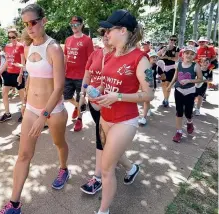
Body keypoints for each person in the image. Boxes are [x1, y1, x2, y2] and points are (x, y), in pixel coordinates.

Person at [0, 4, 69, 213]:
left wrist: (43, 116)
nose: (29, 27)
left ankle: (64, 169)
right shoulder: (27, 48)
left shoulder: (54, 48)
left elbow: (58, 88)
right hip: (31, 109)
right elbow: (29, 78)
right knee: (23, 155)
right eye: (26, 24)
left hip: (53, 110)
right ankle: (14, 204)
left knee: (59, 143)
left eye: (33, 22)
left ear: (43, 21)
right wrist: (26, 102)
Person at [92, 9, 154, 214]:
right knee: (114, 156)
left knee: (107, 168)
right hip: (105, 116)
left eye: (109, 29)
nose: (106, 33)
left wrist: (117, 97)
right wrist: (97, 93)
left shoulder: (140, 58)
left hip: (125, 120)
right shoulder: (109, 55)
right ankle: (132, 168)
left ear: (123, 30)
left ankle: (103, 211)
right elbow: (105, 83)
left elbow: (148, 95)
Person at [79, 28, 114, 195]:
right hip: (93, 102)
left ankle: (98, 178)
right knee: (105, 138)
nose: (106, 36)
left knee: (101, 138)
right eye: (103, 34)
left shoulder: (119, 55)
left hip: (111, 104)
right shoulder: (94, 54)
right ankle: (130, 167)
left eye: (108, 33)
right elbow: (87, 77)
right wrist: (82, 95)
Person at [166, 46, 202, 143]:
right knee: (179, 111)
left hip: (190, 91)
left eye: (191, 54)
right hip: (178, 90)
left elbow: (200, 79)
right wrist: (170, 85)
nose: (189, 55)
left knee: (188, 113)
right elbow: (175, 76)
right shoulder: (178, 64)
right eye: (187, 53)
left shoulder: (195, 66)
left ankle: (189, 122)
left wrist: (189, 80)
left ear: (194, 56)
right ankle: (179, 131)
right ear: (183, 54)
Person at [64, 16, 93, 132]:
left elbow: (91, 59)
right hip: (68, 74)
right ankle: (78, 106)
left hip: (82, 76)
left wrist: (90, 75)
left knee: (81, 97)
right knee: (66, 96)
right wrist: (62, 70)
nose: (74, 27)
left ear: (81, 25)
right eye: (72, 25)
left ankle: (79, 119)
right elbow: (65, 57)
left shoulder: (87, 40)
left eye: (76, 24)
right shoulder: (68, 39)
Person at [0, 29, 25, 123]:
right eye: (9, 37)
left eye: (13, 37)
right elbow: (7, 62)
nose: (11, 39)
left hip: (18, 74)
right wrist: (0, 73)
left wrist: (20, 75)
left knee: (22, 96)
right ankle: (7, 114)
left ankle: (24, 113)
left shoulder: (21, 46)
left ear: (17, 37)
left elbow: (23, 62)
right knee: (4, 93)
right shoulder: (7, 47)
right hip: (9, 73)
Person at [138, 50, 162, 125]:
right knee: (146, 101)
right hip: (143, 86)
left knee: (146, 100)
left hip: (151, 87)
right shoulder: (143, 66)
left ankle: (144, 118)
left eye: (156, 57)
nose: (154, 58)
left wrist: (156, 79)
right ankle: (148, 110)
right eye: (153, 57)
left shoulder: (157, 67)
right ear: (148, 58)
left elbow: (163, 76)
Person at [157, 35, 179, 107]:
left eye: (174, 40)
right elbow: (157, 55)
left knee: (167, 84)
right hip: (162, 67)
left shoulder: (176, 49)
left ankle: (166, 100)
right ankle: (165, 98)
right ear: (168, 40)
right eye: (171, 39)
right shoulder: (163, 47)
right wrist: (163, 50)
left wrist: (168, 57)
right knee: (163, 84)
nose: (172, 41)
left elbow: (176, 59)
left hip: (171, 67)